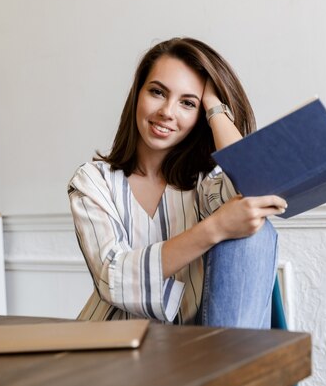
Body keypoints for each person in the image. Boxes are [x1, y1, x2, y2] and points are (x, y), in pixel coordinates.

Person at [68, 37, 287, 328]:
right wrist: (216, 227)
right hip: (110, 347)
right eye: (157, 92)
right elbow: (112, 276)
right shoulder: (93, 181)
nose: (167, 112)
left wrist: (214, 106)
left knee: (256, 230)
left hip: (194, 351)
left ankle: (233, 365)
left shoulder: (205, 184)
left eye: (187, 103)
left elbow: (254, 189)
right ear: (138, 95)